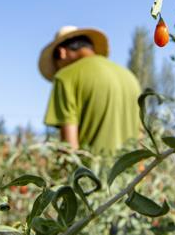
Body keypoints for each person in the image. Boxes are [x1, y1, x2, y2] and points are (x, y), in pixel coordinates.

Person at [39, 26, 141, 154]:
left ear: (61, 52)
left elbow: (69, 149)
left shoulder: (65, 77)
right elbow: (140, 138)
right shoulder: (130, 78)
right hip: (132, 173)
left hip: (92, 172)